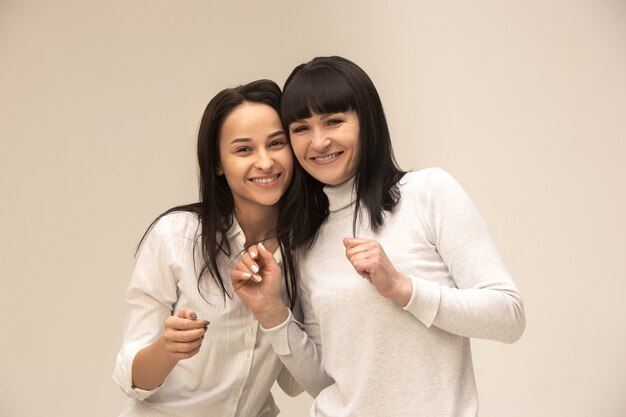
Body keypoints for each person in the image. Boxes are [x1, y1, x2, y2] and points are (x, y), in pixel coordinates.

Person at [231, 57, 526, 417]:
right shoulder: (304, 238)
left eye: (334, 121)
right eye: (301, 128)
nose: (319, 141)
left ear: (367, 121)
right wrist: (272, 312)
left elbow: (509, 317)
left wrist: (403, 288)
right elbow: (319, 382)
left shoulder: (427, 193)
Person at [113, 79, 302, 417]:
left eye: (277, 143)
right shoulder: (174, 236)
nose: (265, 162)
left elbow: (293, 382)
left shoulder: (305, 248)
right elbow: (132, 380)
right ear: (217, 163)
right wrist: (169, 349)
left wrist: (275, 310)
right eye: (243, 149)